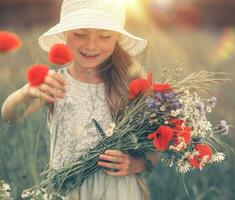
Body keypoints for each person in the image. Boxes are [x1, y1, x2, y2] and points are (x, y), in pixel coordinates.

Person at [1, 0, 159, 199]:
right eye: (80, 34)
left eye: (104, 36)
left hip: (117, 190)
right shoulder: (55, 83)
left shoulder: (130, 85)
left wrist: (136, 164)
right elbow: (9, 115)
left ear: (117, 37)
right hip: (68, 191)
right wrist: (29, 92)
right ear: (65, 34)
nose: (91, 45)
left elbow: (155, 150)